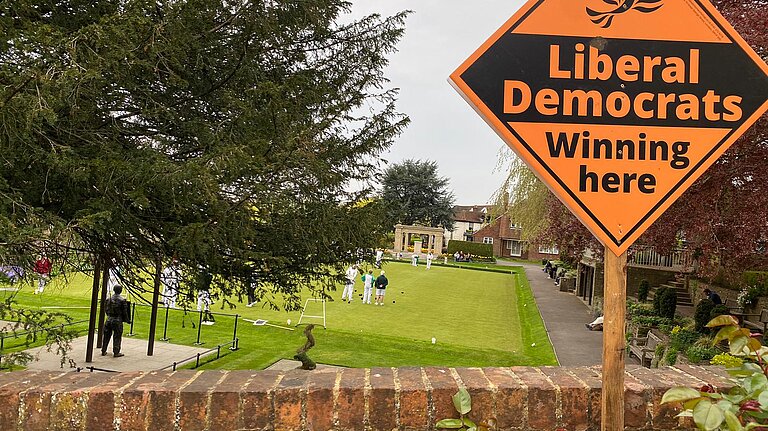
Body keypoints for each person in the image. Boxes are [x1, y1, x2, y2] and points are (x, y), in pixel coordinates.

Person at [101, 284, 131, 357]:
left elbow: (106, 309)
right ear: (120, 291)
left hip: (109, 319)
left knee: (106, 336)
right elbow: (125, 312)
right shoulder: (122, 300)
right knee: (117, 336)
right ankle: (116, 352)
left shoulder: (108, 299)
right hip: (117, 320)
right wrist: (127, 320)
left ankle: (103, 350)